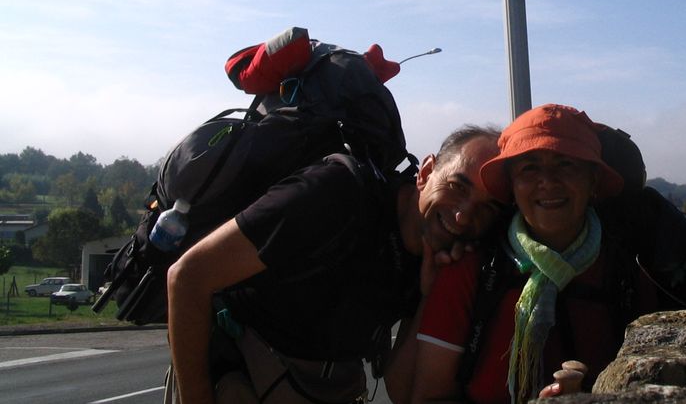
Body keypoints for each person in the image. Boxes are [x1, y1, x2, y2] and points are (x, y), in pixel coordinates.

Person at [165, 123, 504, 404]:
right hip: (241, 373)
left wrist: (429, 297)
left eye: (485, 209)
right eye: (457, 186)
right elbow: (187, 276)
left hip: (326, 387)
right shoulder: (337, 194)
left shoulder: (429, 260)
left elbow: (400, 390)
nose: (462, 216)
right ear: (426, 172)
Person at [405, 104, 686, 404]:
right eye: (529, 167)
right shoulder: (472, 272)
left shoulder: (629, 271)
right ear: (511, 186)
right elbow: (430, 396)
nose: (547, 181)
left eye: (566, 164)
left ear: (593, 180)